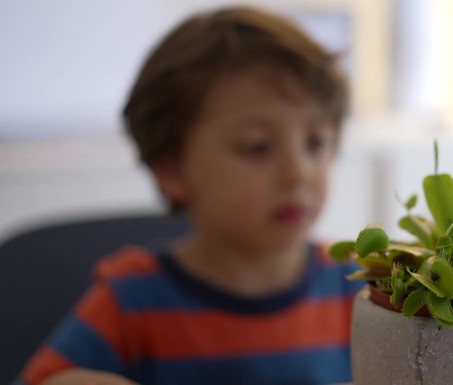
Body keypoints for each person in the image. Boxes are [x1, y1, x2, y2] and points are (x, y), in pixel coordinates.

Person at [14, 6, 363, 385]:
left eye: (316, 143)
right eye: (258, 147)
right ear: (173, 170)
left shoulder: (357, 289)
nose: (299, 173)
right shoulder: (131, 300)